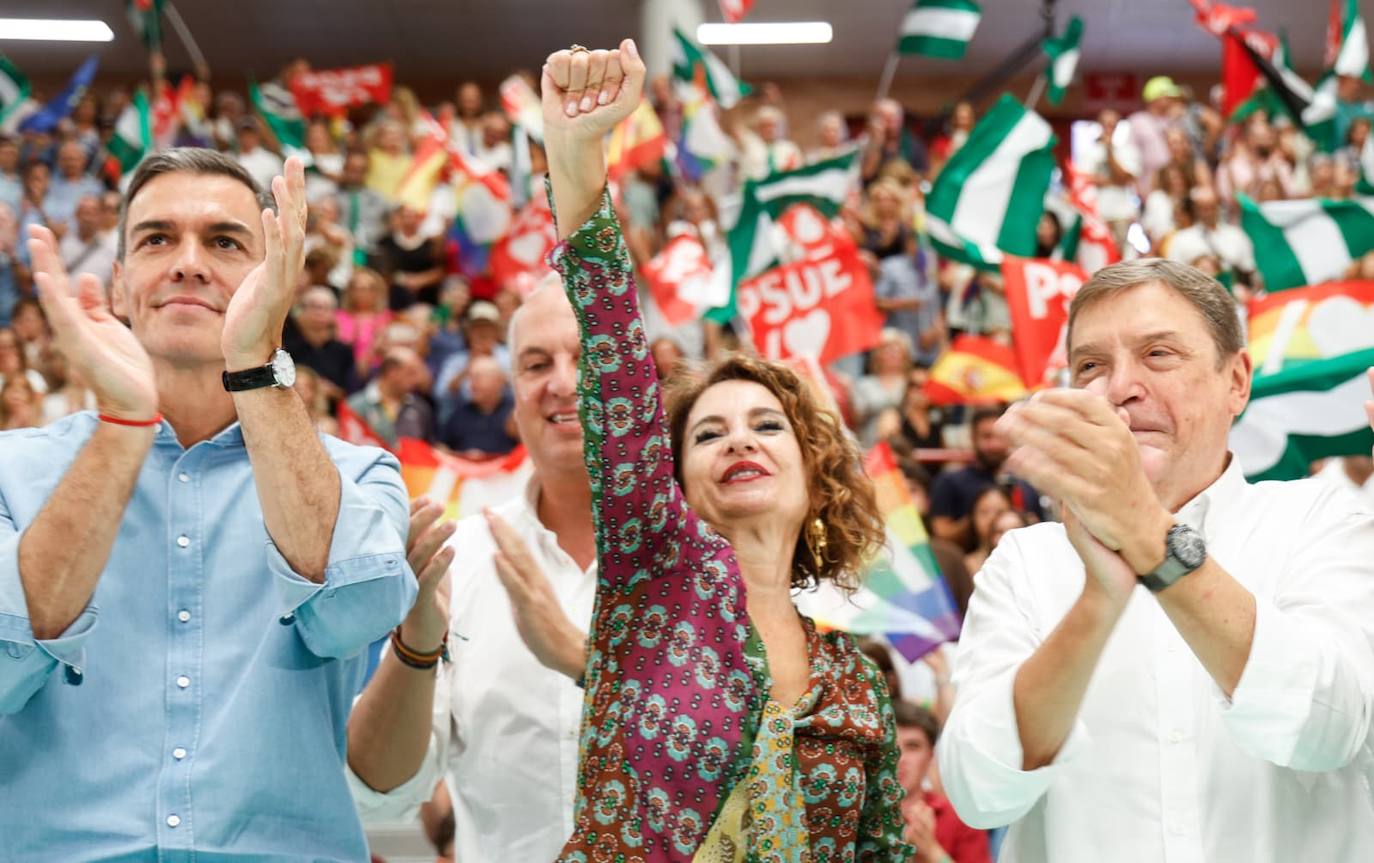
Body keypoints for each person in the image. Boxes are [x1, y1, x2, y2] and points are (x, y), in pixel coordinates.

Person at [490, 40, 911, 860]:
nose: (739, 438)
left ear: (816, 478)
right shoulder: (653, 580)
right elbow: (613, 345)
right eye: (709, 433)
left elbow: (883, 849)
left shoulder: (858, 679)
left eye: (767, 425)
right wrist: (576, 156)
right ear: (671, 483)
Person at [0, 150, 414, 860]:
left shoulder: (360, 474)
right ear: (121, 283)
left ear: (275, 276)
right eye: (157, 239)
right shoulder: (12, 470)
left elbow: (354, 616)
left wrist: (254, 364)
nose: (188, 264)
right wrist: (123, 428)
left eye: (224, 242)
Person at [937, 259, 1374, 861]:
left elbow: (1326, 730)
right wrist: (1098, 602)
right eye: (1091, 366)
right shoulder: (1025, 561)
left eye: (1158, 354)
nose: (1120, 387)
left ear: (1236, 381)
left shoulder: (1324, 520)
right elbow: (980, 792)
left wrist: (1147, 536)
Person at [347, 279, 601, 861]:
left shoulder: (711, 560)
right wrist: (415, 647)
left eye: (589, 356)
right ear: (515, 393)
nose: (564, 383)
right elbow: (378, 794)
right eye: (536, 364)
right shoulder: (457, 557)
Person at [928, 406, 1043, 544]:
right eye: (987, 437)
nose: (994, 444)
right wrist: (978, 518)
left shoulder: (1025, 485)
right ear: (972, 438)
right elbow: (940, 532)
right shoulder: (950, 481)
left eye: (1000, 437)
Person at [895, 702, 992, 863]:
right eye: (891, 748)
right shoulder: (858, 813)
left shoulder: (962, 818)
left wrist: (931, 852)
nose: (900, 759)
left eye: (913, 746)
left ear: (931, 755)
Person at [345, 345, 435, 447]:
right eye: (411, 373)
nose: (417, 380)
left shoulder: (420, 408)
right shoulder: (355, 406)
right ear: (392, 372)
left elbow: (429, 447)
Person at [1166, 186, 1255, 287]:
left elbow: (1249, 268)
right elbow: (1174, 275)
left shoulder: (1235, 234)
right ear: (1195, 209)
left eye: (1212, 207)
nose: (1208, 212)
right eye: (1203, 208)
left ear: (1218, 207)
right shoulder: (1182, 239)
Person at [436, 354, 518, 457]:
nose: (471, 386)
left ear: (498, 381)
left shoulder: (516, 413)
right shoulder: (459, 414)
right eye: (470, 379)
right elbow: (440, 446)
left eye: (478, 378)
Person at [283, 284, 357, 397]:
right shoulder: (287, 347)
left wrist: (333, 391)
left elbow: (352, 392)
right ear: (301, 311)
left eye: (325, 307)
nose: (319, 312)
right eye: (314, 306)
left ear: (333, 313)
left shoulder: (343, 351)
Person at [58, 194, 117, 289]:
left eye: (92, 213)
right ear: (76, 215)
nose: (87, 218)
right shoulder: (63, 243)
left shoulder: (111, 247)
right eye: (84, 213)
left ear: (101, 216)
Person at [962, 484, 1012, 574]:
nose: (991, 519)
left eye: (1000, 512)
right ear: (973, 517)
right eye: (984, 512)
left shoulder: (1022, 560)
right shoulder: (965, 565)